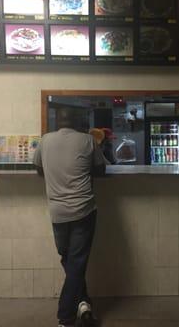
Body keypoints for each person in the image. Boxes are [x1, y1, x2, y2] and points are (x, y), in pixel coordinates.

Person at [33, 107, 106, 327]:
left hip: (58, 214)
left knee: (70, 260)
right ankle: (65, 318)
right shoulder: (87, 140)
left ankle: (83, 304)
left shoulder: (45, 141)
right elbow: (101, 170)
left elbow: (37, 169)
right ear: (76, 122)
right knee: (76, 263)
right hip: (83, 210)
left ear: (58, 122)